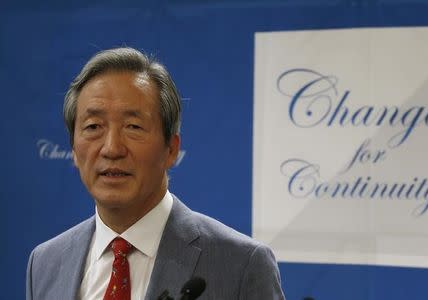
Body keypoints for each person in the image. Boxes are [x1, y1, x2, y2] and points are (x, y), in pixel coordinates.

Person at [26, 47, 285, 300]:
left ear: (171, 149)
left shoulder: (241, 265)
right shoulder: (45, 262)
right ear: (73, 149)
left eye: (133, 126)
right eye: (93, 126)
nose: (112, 148)